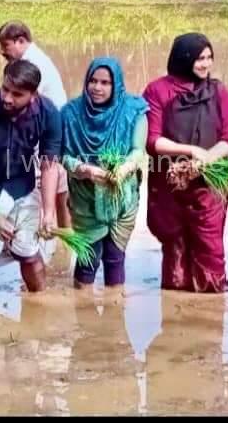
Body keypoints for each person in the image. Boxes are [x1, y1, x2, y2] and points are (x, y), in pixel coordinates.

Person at [143, 33, 228, 293]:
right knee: (174, 250)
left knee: (210, 247)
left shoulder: (219, 92)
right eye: (200, 59)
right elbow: (152, 140)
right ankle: (176, 319)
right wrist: (191, 152)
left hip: (208, 185)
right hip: (169, 185)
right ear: (183, 58)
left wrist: (207, 159)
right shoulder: (158, 91)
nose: (206, 65)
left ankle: (209, 313)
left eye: (209, 58)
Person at [0, 59, 61, 297]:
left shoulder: (49, 113)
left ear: (33, 95)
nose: (7, 98)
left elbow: (49, 165)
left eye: (17, 94)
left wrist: (48, 212)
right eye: (5, 89)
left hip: (23, 189)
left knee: (29, 252)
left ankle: (39, 306)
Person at [60, 57, 148, 290]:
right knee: (87, 258)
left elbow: (138, 151)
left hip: (122, 197)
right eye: (93, 81)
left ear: (116, 84)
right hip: (84, 198)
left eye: (105, 82)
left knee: (115, 257)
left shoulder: (133, 110)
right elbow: (63, 155)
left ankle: (115, 314)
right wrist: (84, 169)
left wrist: (124, 168)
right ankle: (82, 311)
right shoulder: (70, 113)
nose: (97, 88)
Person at [0, 21, 71, 229]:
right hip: (52, 132)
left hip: (45, 133)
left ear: (21, 41)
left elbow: (25, 108)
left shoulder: (32, 65)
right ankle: (63, 242)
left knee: (42, 190)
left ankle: (49, 237)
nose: (3, 52)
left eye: (6, 47)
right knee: (58, 190)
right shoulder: (34, 59)